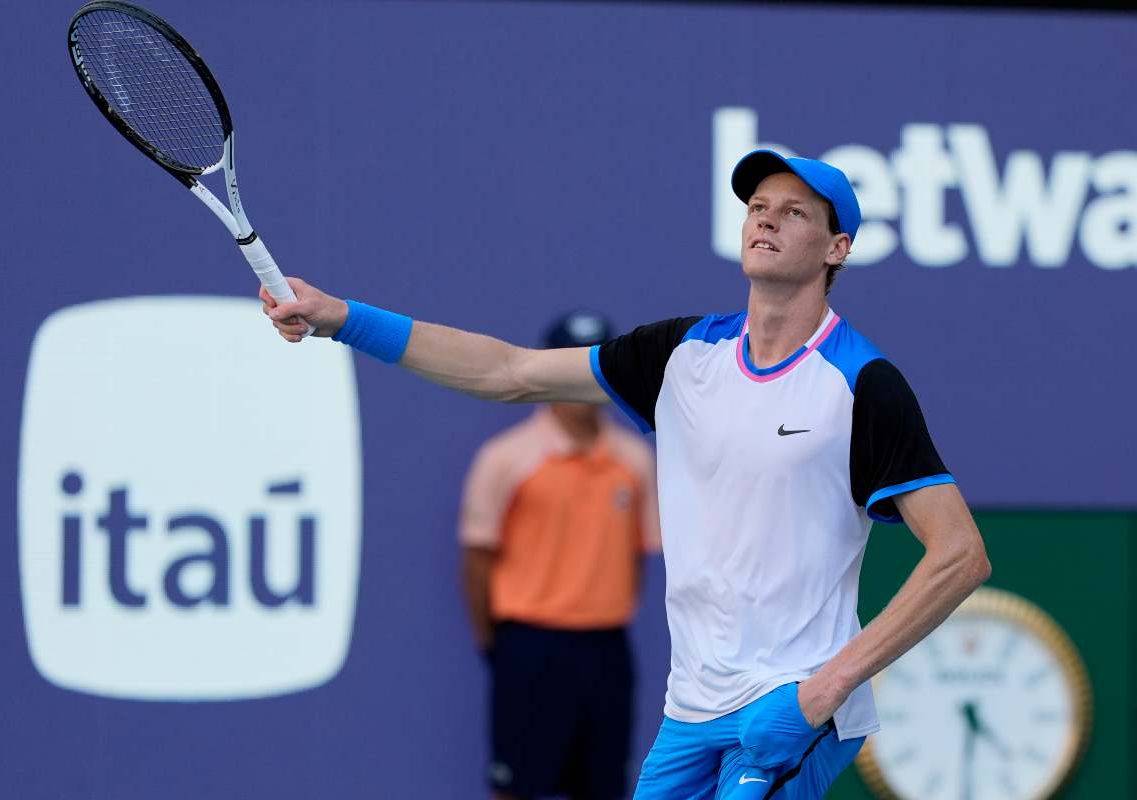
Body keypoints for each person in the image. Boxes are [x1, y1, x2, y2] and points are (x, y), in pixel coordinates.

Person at [260, 149, 991, 799]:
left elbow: (959, 555)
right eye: (758, 208)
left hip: (794, 708)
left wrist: (821, 691)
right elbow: (507, 372)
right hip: (690, 711)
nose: (766, 221)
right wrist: (342, 319)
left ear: (837, 247)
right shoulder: (679, 356)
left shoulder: (863, 384)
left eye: (793, 213)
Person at [459, 310, 661, 800]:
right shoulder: (507, 459)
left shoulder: (634, 460)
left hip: (606, 650)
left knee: (604, 786)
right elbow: (477, 561)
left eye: (596, 363)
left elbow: (637, 555)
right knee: (519, 786)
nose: (583, 378)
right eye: (570, 362)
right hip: (530, 647)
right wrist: (502, 645)